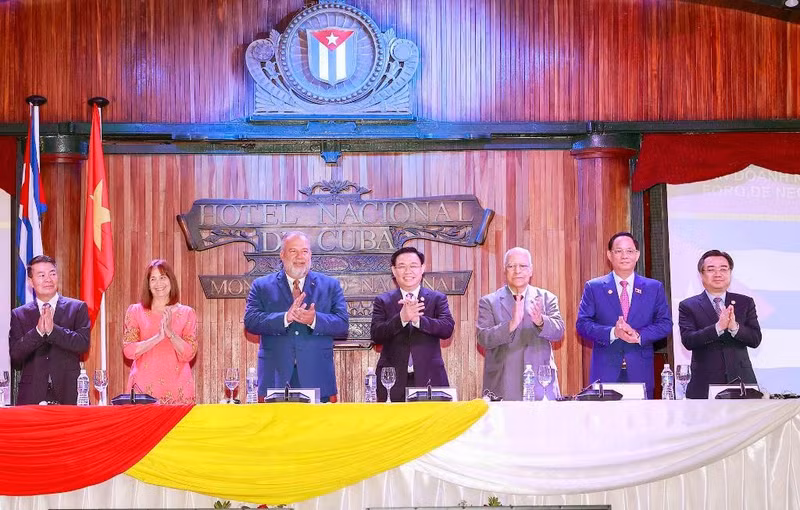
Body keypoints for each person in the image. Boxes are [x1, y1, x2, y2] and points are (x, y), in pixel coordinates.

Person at [244, 231, 348, 403]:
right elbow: (251, 321)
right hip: (275, 376)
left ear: (310, 255)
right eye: (293, 251)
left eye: (304, 251)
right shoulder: (261, 285)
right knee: (276, 422)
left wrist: (314, 320)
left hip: (317, 375)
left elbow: (343, 324)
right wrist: (285, 317)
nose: (300, 256)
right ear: (282, 255)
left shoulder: (330, 285)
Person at [576, 232, 672, 399]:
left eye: (629, 251)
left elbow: (665, 324)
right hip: (605, 372)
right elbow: (582, 324)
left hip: (640, 371)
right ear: (609, 255)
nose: (624, 256)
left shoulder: (654, 287)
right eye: (618, 251)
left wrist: (638, 335)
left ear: (637, 255)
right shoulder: (594, 287)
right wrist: (613, 332)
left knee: (641, 416)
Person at [476, 247, 565, 400]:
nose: (517, 271)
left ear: (531, 270)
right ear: (505, 271)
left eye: (523, 266)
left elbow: (559, 332)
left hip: (541, 384)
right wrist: (511, 324)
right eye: (511, 266)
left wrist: (541, 321)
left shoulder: (547, 298)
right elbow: (483, 338)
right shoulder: (489, 301)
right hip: (502, 384)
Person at [370, 246, 455, 402]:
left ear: (422, 268)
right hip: (391, 381)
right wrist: (401, 318)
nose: (408, 271)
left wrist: (418, 320)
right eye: (402, 266)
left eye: (413, 266)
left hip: (430, 378)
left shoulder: (437, 298)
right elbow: (376, 335)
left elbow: (447, 328)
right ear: (394, 271)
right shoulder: (383, 300)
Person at [678, 250, 762, 399]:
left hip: (742, 381)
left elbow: (755, 339)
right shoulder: (688, 306)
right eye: (711, 269)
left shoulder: (745, 302)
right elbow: (688, 340)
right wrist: (718, 328)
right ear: (701, 274)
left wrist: (734, 327)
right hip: (704, 383)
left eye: (723, 269)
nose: (718, 274)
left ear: (730, 273)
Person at [9, 255, 90, 405]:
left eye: (52, 273)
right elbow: (15, 355)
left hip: (69, 393)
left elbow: (83, 344)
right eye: (41, 275)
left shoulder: (77, 308)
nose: (48, 279)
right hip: (32, 395)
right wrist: (38, 332)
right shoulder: (19, 314)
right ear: (31, 282)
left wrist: (54, 331)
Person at [123, 259, 198, 404]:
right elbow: (129, 350)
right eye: (153, 279)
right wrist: (158, 337)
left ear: (171, 280)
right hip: (143, 390)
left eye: (163, 277)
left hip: (178, 390)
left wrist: (170, 333)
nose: (158, 283)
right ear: (148, 284)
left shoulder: (187, 313)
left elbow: (189, 353)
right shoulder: (136, 311)